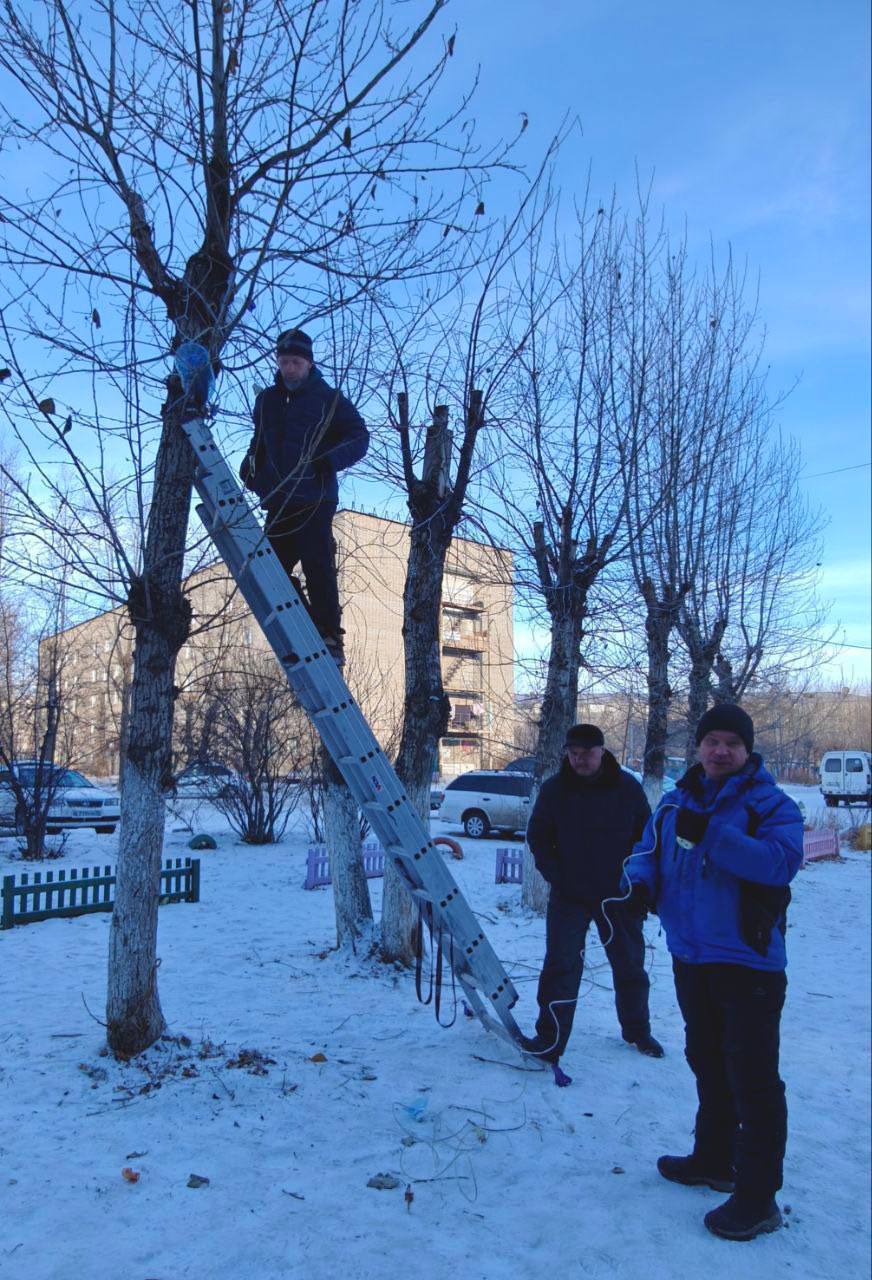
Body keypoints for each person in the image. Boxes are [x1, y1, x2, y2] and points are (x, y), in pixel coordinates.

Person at [626, 704, 803, 1242]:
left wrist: (713, 837)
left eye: (732, 743)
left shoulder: (772, 805)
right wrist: (638, 884)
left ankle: (758, 1197)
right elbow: (647, 850)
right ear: (699, 746)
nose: (721, 750)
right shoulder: (674, 801)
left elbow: (780, 864)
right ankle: (713, 1159)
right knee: (706, 1060)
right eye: (712, 741)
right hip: (692, 956)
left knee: (753, 1079)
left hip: (749, 963)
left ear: (748, 750)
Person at [521, 723, 663, 1067]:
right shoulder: (555, 790)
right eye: (573, 753)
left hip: (619, 896)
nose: (579, 760)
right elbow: (538, 837)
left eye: (586, 753)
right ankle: (550, 1039)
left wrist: (637, 885)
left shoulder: (626, 788)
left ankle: (637, 1031)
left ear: (601, 751)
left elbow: (647, 841)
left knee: (630, 965)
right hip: (570, 895)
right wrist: (557, 876)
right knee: (560, 965)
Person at [240, 328, 369, 661]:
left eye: (295, 362)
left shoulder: (329, 398)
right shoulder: (267, 401)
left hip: (315, 496)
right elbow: (260, 442)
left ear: (309, 363)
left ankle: (329, 635)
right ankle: (305, 629)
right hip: (279, 499)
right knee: (268, 570)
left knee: (317, 565)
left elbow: (359, 437)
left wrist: (326, 461)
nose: (289, 369)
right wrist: (252, 469)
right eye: (283, 362)